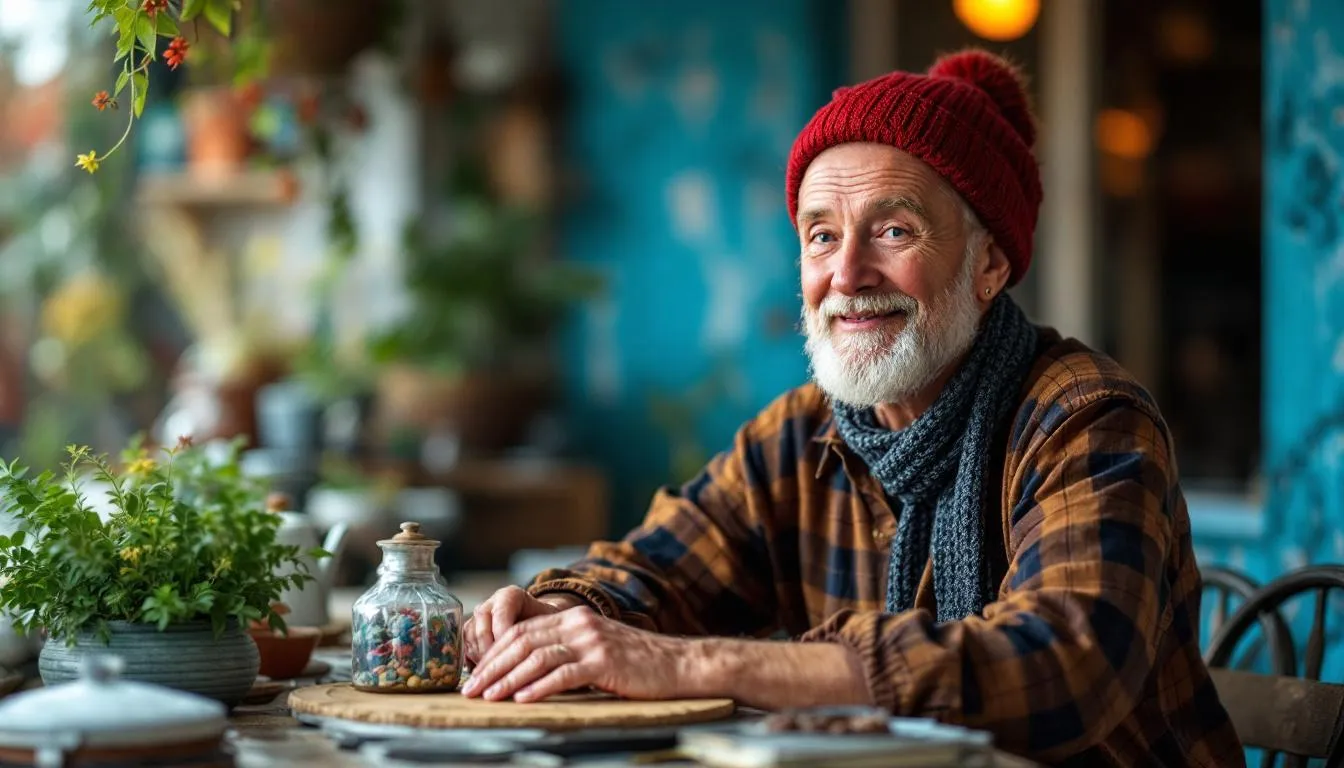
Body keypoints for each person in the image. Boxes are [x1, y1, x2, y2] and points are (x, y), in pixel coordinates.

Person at [461, 49, 1246, 766]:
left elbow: (1064, 663)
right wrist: (554, 618)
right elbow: (655, 573)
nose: (846, 275)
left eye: (894, 231)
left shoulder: (1084, 418)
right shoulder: (799, 433)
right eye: (821, 236)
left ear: (990, 263)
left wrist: (693, 662)